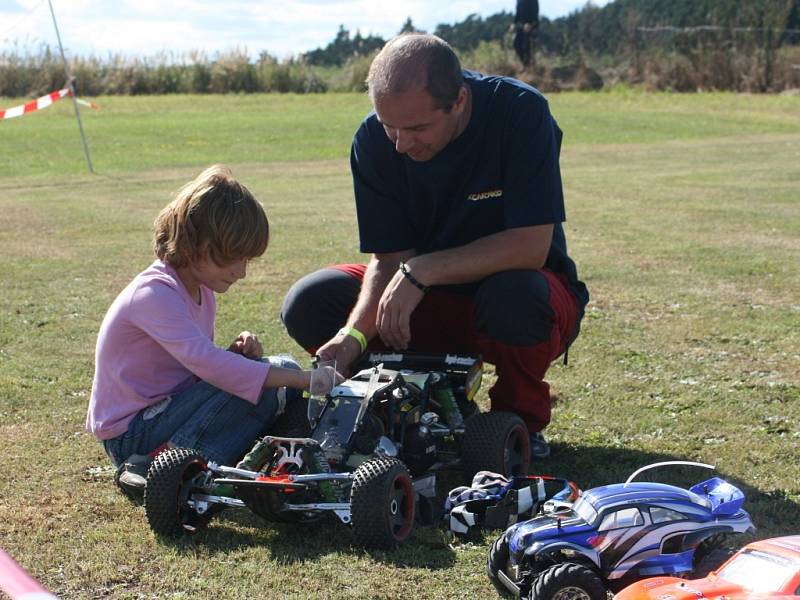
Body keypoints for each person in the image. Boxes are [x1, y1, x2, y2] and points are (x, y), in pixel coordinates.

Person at [281, 34, 589, 460]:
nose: (400, 144)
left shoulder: (520, 112)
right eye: (390, 125)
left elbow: (530, 246)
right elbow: (390, 258)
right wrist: (350, 337)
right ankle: (407, 407)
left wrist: (421, 271)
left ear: (460, 100)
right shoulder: (374, 141)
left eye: (417, 128)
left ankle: (517, 422)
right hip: (423, 306)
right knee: (310, 300)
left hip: (520, 302)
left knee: (515, 294)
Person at [87, 165, 337, 503]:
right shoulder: (155, 293)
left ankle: (269, 460)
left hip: (165, 413)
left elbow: (196, 363)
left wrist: (233, 354)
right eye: (233, 259)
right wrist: (307, 381)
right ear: (198, 245)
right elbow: (208, 365)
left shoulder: (198, 289)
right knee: (283, 375)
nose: (242, 272)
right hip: (135, 435)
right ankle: (170, 468)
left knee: (275, 378)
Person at [513, 0, 539, 67]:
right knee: (516, 44)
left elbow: (535, 13)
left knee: (527, 46)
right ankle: (525, 64)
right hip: (521, 26)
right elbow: (518, 14)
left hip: (532, 26)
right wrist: (513, 24)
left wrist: (530, 24)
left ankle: (529, 66)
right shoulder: (519, 1)